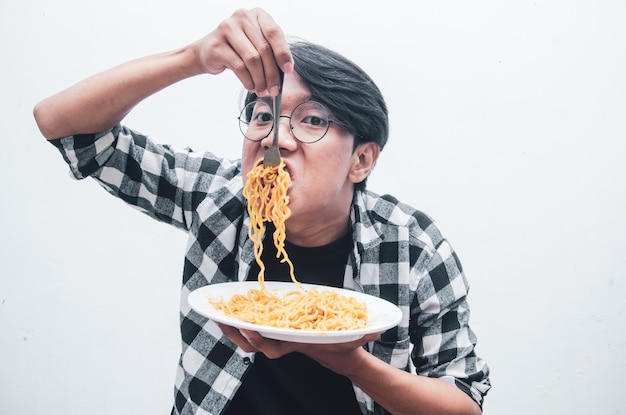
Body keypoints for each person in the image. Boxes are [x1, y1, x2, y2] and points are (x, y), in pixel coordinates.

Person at [33, 7, 490, 415]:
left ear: (361, 160)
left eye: (312, 120)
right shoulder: (218, 195)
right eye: (263, 116)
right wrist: (194, 57)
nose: (276, 139)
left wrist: (351, 363)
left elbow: (463, 402)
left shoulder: (413, 246)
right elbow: (63, 125)